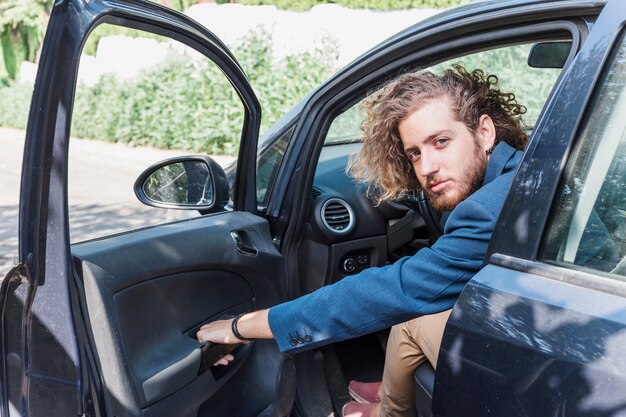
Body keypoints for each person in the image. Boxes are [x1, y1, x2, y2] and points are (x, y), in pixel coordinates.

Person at [197, 64, 528, 417]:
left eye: (441, 141)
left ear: (485, 132)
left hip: (530, 361)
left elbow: (386, 291)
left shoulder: (487, 209)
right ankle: (389, 395)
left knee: (408, 307)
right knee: (411, 312)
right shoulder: (522, 173)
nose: (426, 167)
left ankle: (385, 413)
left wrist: (241, 326)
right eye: (414, 153)